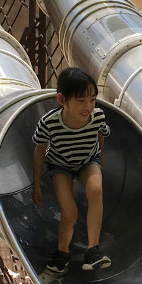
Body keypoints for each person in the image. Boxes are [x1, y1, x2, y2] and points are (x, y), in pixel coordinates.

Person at [32, 67, 112, 273]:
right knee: (70, 212)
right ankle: (62, 254)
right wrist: (36, 186)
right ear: (62, 100)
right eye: (81, 100)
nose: (89, 106)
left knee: (95, 190)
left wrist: (99, 163)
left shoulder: (98, 117)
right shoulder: (49, 123)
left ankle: (93, 250)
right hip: (60, 164)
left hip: (88, 160)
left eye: (92, 99)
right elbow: (39, 152)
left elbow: (101, 137)